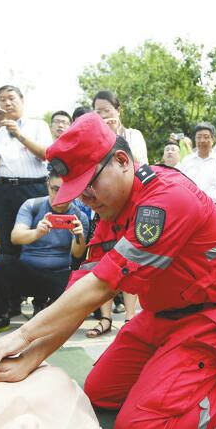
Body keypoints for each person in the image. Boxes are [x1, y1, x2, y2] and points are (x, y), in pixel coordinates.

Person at [0, 113, 216, 429]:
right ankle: (168, 374)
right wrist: (30, 357)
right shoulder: (112, 211)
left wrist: (21, 337)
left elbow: (100, 287)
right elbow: (79, 295)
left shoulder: (166, 199)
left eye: (89, 185)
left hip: (214, 318)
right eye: (79, 191)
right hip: (162, 316)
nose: (87, 199)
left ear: (122, 161)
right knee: (100, 393)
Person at [0, 171, 89, 337]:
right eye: (55, 189)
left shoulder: (79, 216)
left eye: (65, 190)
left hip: (58, 274)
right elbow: (15, 237)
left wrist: (79, 235)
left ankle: (47, 308)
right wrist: (37, 233)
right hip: (28, 272)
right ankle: (0, 315)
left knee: (83, 280)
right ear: (47, 185)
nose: (59, 195)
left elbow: (77, 253)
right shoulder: (32, 205)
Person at [0, 85, 53, 261]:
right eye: (2, 100)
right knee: (8, 242)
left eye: (11, 98)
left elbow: (46, 154)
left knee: (37, 237)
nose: (7, 103)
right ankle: (12, 286)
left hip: (34, 189)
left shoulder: (38, 125)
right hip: (5, 190)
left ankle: (37, 285)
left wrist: (19, 135)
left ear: (22, 100)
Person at [92, 90, 146, 323]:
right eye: (98, 111)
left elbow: (138, 164)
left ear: (117, 110)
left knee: (130, 258)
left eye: (107, 110)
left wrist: (113, 137)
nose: (103, 115)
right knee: (106, 258)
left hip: (131, 202)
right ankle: (105, 317)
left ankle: (129, 316)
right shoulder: (95, 136)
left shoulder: (133, 134)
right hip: (106, 203)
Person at [177, 122, 216, 215]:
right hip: (190, 209)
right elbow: (181, 188)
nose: (202, 140)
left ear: (213, 139)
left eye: (206, 137)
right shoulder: (186, 161)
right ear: (195, 139)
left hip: (215, 209)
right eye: (199, 137)